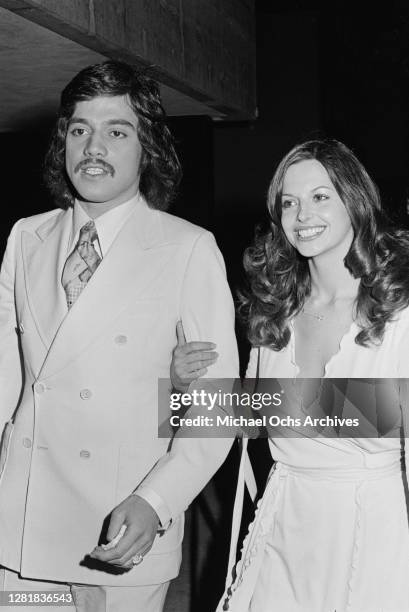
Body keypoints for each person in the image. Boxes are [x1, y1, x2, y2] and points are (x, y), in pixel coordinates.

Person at [0, 60, 239, 612]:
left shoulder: (188, 248)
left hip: (118, 532)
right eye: (80, 130)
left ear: (146, 147)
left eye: (117, 131)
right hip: (21, 529)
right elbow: (7, 375)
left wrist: (158, 502)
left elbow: (217, 408)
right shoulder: (25, 237)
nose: (94, 147)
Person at [171, 140, 409, 611]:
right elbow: (251, 419)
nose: (302, 214)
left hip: (373, 526)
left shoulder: (398, 313)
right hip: (284, 519)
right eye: (289, 202)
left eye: (320, 197)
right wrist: (184, 390)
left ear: (354, 201)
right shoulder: (275, 313)